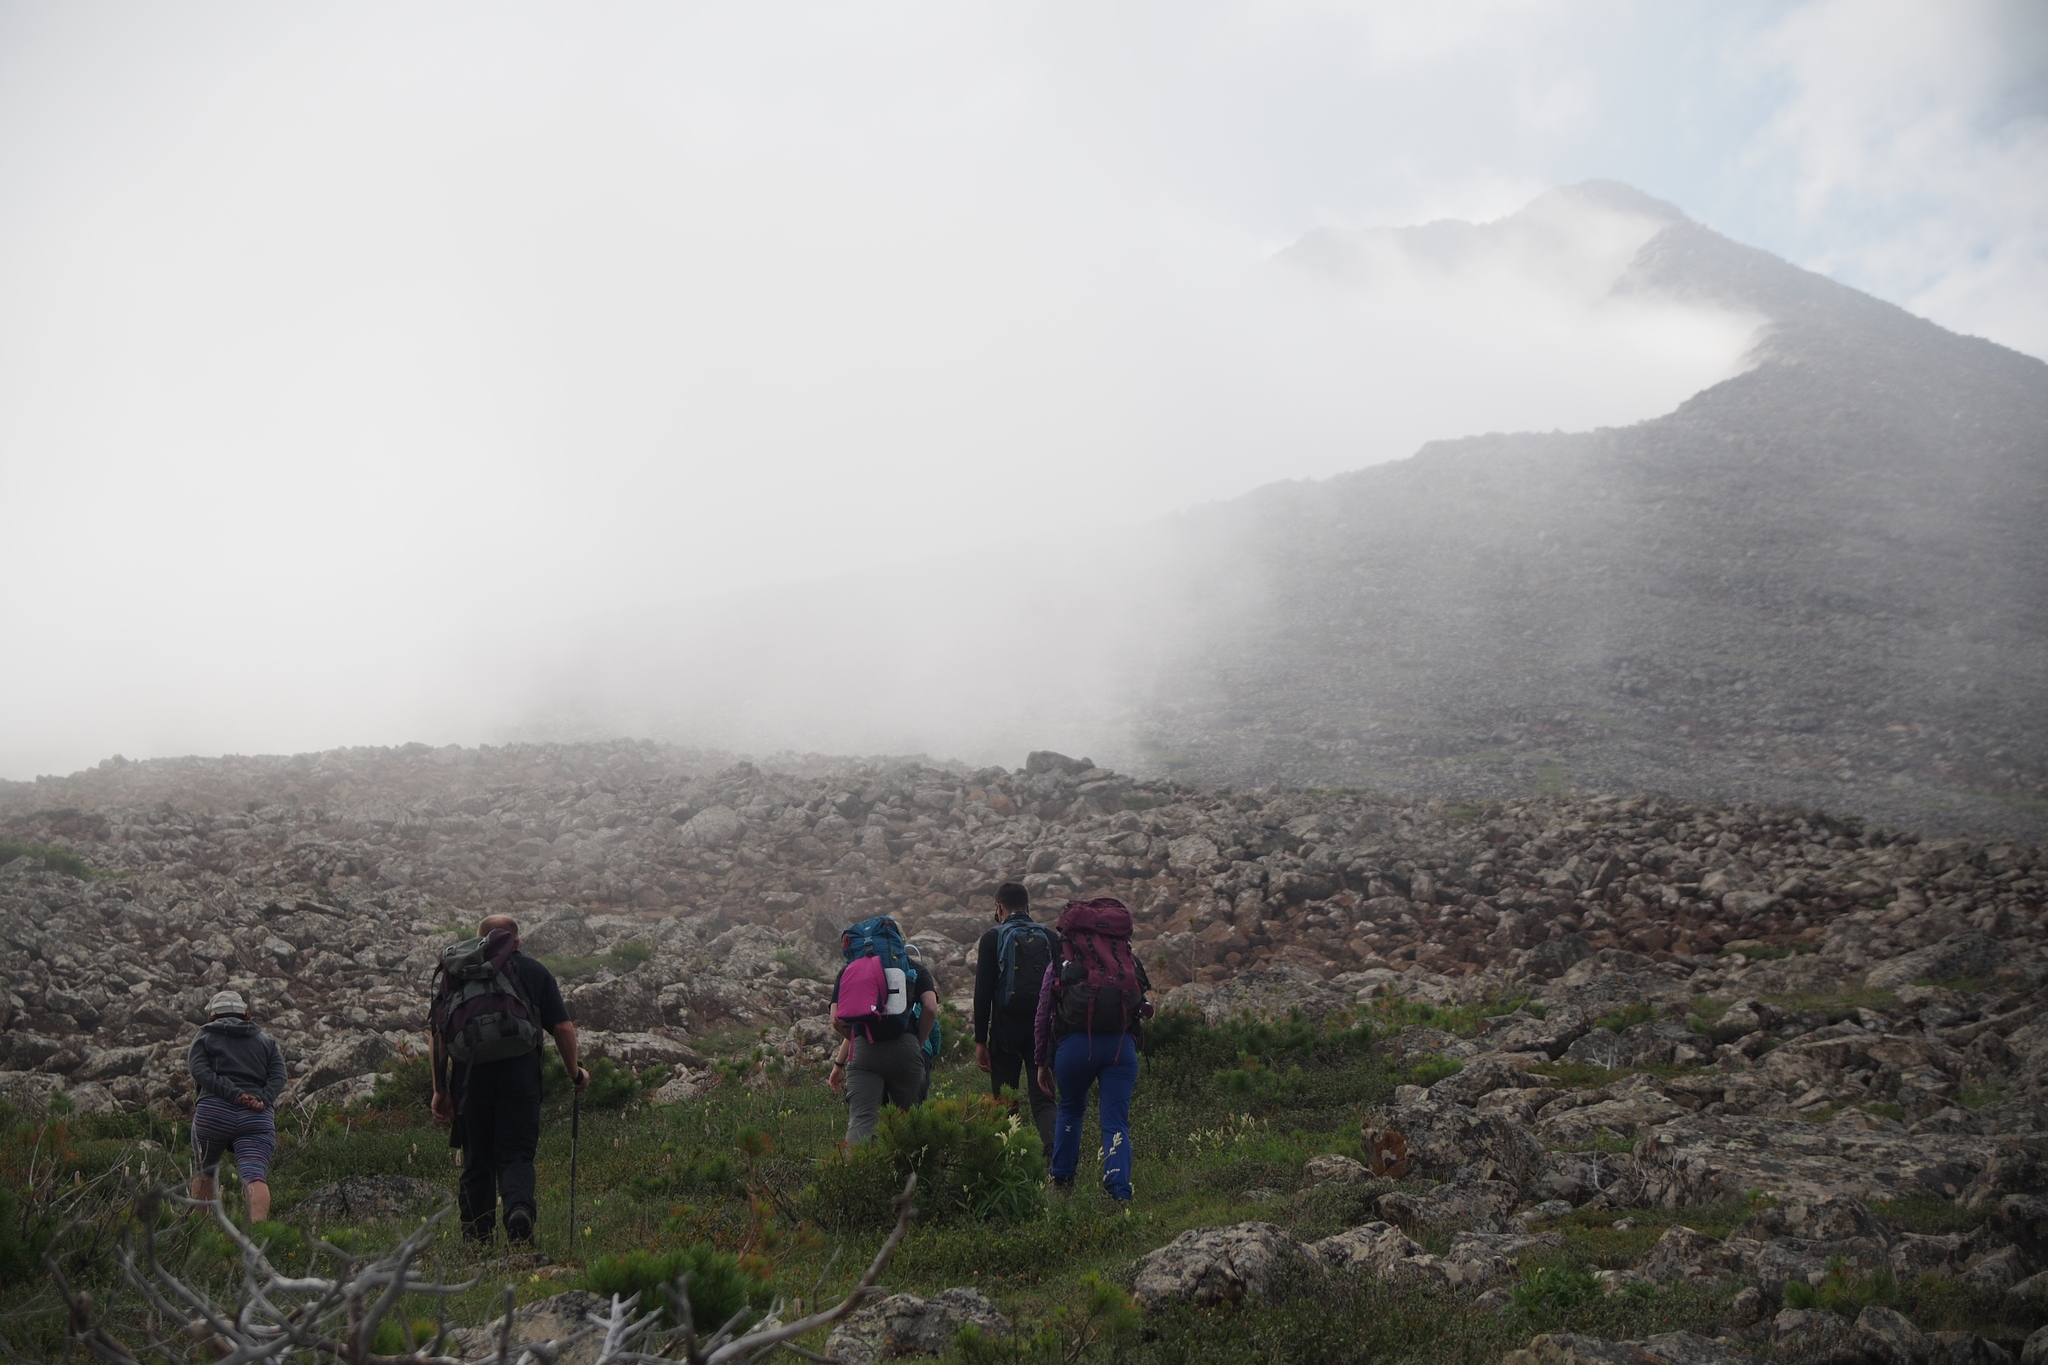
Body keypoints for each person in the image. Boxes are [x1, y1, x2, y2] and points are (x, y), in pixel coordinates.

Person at [429, 915, 588, 1245]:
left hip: (469, 1077)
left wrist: (440, 1090)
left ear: (480, 940)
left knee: (477, 1158)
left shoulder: (458, 972)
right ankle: (518, 1213)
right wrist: (575, 1072)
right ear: (516, 941)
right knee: (515, 1154)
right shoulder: (532, 970)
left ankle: (477, 1236)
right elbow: (562, 1028)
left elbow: (438, 1036)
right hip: (520, 1072)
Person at [1034, 897, 1153, 1204]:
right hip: (1119, 1048)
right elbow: (1144, 1007)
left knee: (1071, 1109)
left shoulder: (1063, 961)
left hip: (1075, 1048)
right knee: (1115, 1121)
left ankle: (1062, 1183)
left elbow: (1044, 1010)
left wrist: (1041, 1061)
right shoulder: (1126, 959)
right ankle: (1119, 1193)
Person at [827, 915, 938, 1144]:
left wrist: (858, 1038)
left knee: (861, 1121)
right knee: (909, 1122)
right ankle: (909, 1177)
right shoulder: (914, 967)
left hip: (864, 1051)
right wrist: (917, 1043)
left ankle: (858, 1175)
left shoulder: (848, 971)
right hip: (905, 1046)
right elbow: (930, 1008)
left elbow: (837, 1020)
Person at [188, 989, 288, 1222]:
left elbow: (200, 1071)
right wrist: (262, 1098)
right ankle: (258, 1234)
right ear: (245, 1013)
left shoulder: (204, 1036)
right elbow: (279, 1075)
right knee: (255, 1176)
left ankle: (197, 1232)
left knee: (204, 1171)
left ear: (213, 1014)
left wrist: (233, 1095)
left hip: (213, 1113)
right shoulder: (266, 1041)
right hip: (256, 1117)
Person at [972, 882, 1058, 1152]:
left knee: (1005, 1100)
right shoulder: (1051, 937)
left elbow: (982, 993)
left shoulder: (992, 938)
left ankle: (1012, 1158)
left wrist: (980, 1041)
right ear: (1028, 908)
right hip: (1042, 1030)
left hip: (1005, 1030)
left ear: (999, 907)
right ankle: (1056, 1157)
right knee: (1044, 1099)